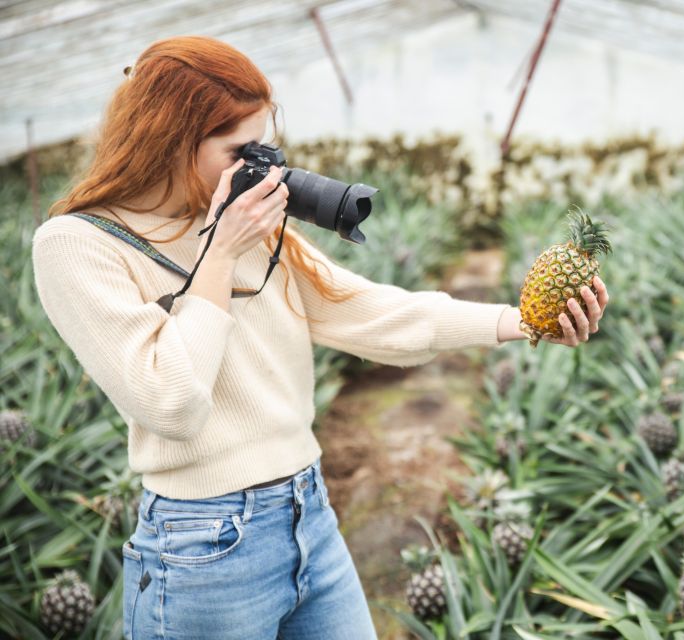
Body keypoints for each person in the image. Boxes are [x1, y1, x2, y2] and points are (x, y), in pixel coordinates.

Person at [30, 36, 609, 639]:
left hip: (309, 513)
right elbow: (171, 401)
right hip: (202, 546)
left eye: (262, 144)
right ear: (171, 140)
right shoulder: (78, 244)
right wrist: (222, 248)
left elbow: (363, 311)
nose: (257, 167)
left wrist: (522, 321)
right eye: (238, 150)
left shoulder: (235, 219)